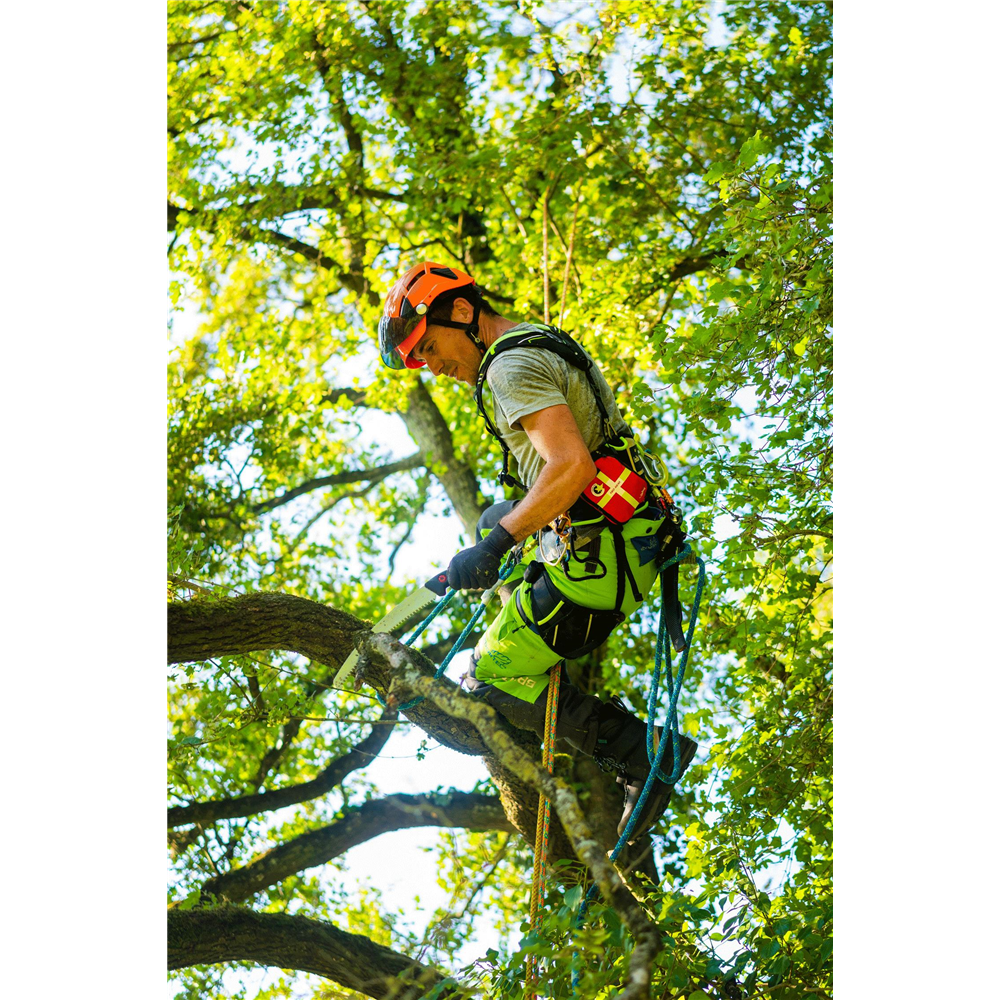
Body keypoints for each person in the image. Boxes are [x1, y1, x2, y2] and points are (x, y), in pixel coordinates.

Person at [377, 261, 697, 844]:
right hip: (627, 534)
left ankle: (642, 751)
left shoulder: (509, 367)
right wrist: (499, 529)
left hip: (598, 568)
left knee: (484, 675)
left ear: (463, 311)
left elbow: (571, 467)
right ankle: (525, 612)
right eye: (419, 358)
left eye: (429, 347)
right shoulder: (531, 342)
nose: (432, 366)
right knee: (492, 517)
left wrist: (497, 544)